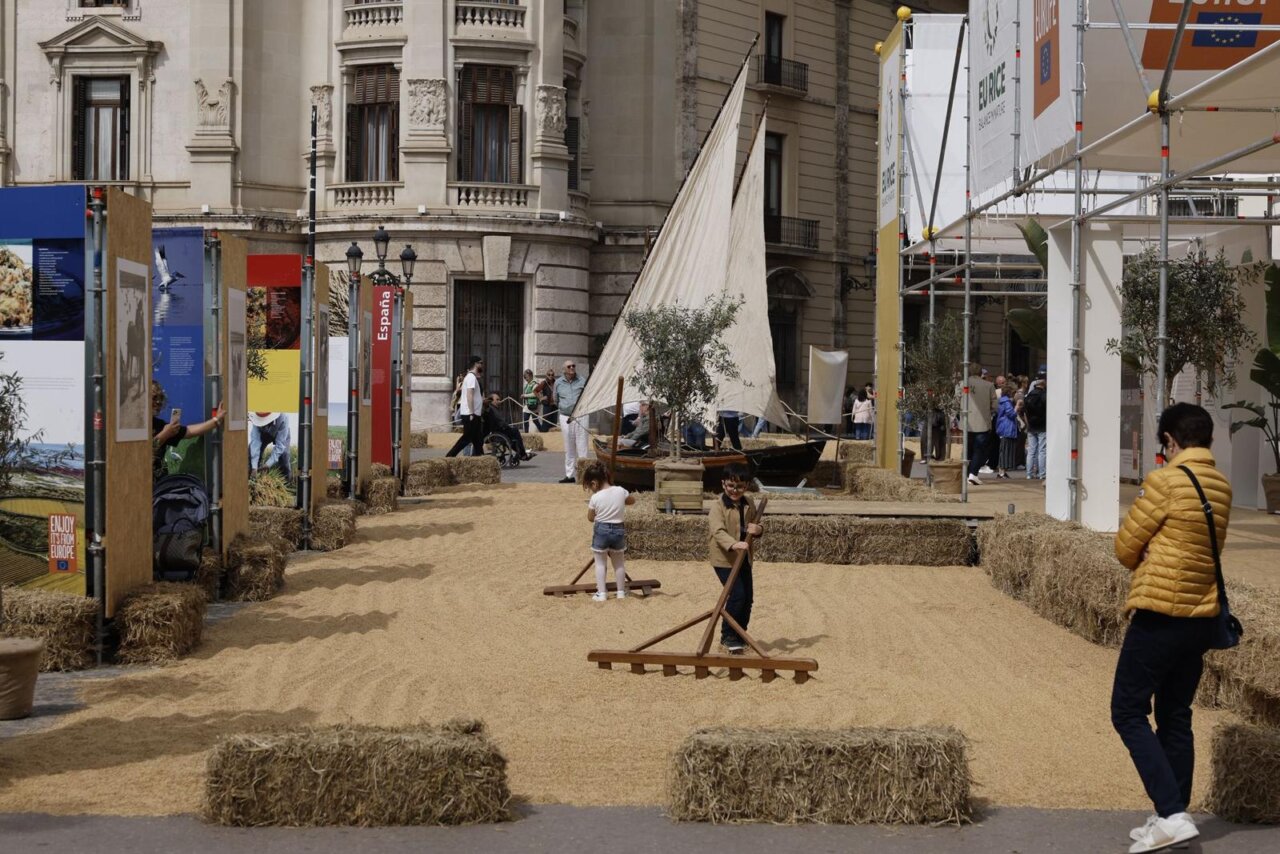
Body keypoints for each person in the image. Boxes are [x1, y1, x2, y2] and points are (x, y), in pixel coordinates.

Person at [1112, 403, 1232, 853]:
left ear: (1169, 441)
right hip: (1201, 617)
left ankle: (1173, 812)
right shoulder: (1221, 485)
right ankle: (1170, 815)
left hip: (1160, 613)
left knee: (1126, 711)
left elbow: (1126, 547)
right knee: (1176, 716)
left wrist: (1146, 551)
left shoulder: (1164, 482)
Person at [708, 462, 764, 654]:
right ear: (724, 484)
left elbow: (755, 527)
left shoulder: (748, 503)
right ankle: (728, 637)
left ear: (747, 486)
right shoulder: (717, 507)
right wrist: (733, 544)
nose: (735, 490)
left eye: (740, 486)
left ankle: (741, 634)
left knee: (748, 598)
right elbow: (717, 531)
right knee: (737, 595)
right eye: (731, 486)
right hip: (725, 559)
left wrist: (758, 530)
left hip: (744, 558)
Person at [583, 461, 636, 601]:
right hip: (618, 529)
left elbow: (590, 518)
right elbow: (632, 501)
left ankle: (602, 593)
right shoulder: (620, 490)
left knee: (600, 563)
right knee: (619, 563)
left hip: (602, 529)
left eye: (590, 487)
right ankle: (620, 592)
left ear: (594, 483)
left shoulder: (595, 497)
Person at [152, 381, 223, 481]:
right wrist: (164, 435)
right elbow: (142, 453)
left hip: (158, 484)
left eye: (160, 398)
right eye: (154, 397)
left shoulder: (159, 424)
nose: (158, 402)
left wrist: (216, 420)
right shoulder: (133, 425)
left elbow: (189, 431)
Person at [555, 360, 589, 483]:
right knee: (569, 447)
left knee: (582, 446)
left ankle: (584, 474)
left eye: (573, 366)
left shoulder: (582, 380)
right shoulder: (558, 383)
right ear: (564, 369)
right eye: (569, 366)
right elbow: (556, 399)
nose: (572, 368)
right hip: (565, 417)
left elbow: (587, 396)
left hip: (581, 416)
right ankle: (569, 475)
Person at [447, 356, 485, 458]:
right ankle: (450, 456)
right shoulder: (471, 377)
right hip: (470, 414)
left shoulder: (470, 377)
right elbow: (470, 395)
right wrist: (472, 412)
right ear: (476, 364)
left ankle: (480, 458)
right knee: (467, 438)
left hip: (473, 413)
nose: (482, 365)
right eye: (480, 363)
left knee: (477, 439)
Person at [965, 364, 995, 486]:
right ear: (980, 373)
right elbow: (994, 405)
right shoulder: (989, 385)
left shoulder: (962, 384)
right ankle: (973, 474)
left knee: (968, 449)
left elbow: (957, 400)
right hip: (983, 422)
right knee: (979, 449)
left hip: (966, 421)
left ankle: (966, 474)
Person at [482, 393, 535, 462]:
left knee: (513, 437)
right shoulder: (491, 409)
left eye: (499, 399)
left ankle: (522, 453)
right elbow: (499, 422)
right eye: (497, 399)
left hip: (499, 431)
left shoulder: (493, 409)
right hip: (497, 432)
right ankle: (522, 454)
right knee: (514, 432)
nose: (499, 401)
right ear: (491, 401)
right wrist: (507, 427)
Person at [249, 412, 292, 480]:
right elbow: (255, 443)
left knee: (284, 455)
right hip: (263, 434)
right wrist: (254, 466)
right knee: (250, 453)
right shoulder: (256, 420)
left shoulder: (283, 417)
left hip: (280, 433)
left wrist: (268, 464)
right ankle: (253, 477)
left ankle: (287, 481)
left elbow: (280, 445)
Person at [1023, 377, 1047, 479]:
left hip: (1031, 426)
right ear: (1043, 385)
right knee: (1042, 450)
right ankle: (1042, 474)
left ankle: (1029, 474)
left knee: (1031, 451)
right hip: (1042, 426)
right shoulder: (1044, 395)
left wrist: (1028, 424)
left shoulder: (1028, 396)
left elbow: (1025, 412)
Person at [995, 390, 1019, 479]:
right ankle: (1001, 472)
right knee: (1005, 450)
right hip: (1007, 428)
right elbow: (1011, 414)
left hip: (1004, 427)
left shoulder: (1002, 401)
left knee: (1004, 450)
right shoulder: (1007, 402)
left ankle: (1002, 472)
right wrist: (1016, 407)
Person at [521, 369, 542, 433]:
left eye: (526, 377)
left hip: (534, 405)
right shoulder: (528, 384)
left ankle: (543, 432)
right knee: (525, 420)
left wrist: (525, 396)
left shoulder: (535, 383)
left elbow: (535, 394)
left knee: (535, 420)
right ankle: (526, 434)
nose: (525, 379)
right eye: (524, 377)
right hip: (527, 405)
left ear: (530, 375)